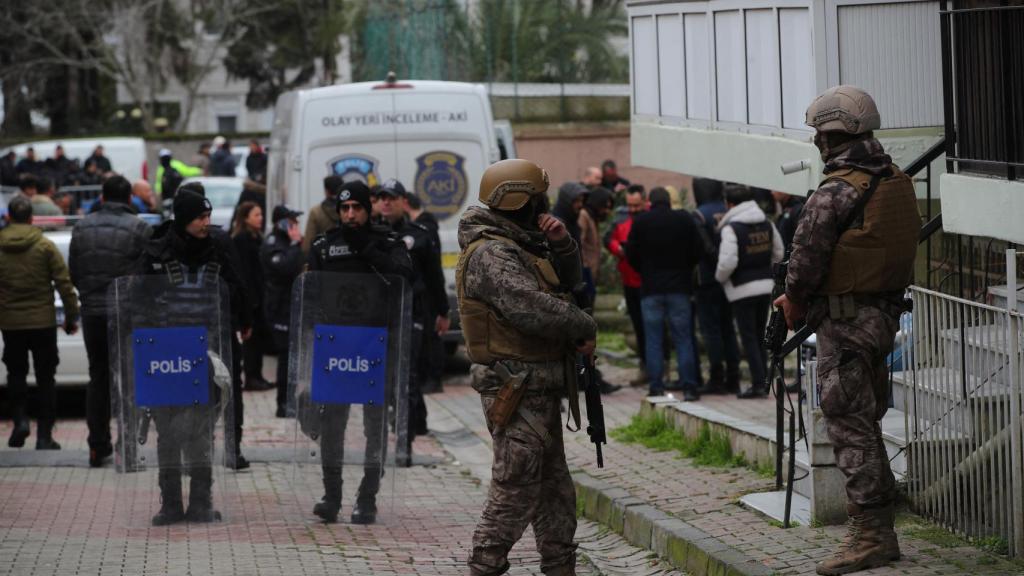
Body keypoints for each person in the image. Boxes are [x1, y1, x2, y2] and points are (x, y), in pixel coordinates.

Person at [775, 86, 918, 575]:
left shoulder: (835, 191)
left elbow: (805, 261)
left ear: (829, 137)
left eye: (820, 134)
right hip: (884, 317)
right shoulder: (896, 180)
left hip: (846, 321)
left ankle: (872, 536)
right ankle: (878, 517)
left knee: (849, 424)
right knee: (866, 418)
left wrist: (792, 302)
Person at [456, 159, 596, 576]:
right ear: (520, 200)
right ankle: (486, 563)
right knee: (516, 486)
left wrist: (563, 243)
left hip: (538, 385)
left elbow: (569, 285)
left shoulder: (521, 243)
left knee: (554, 490)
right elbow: (529, 307)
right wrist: (583, 324)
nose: (544, 203)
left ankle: (559, 564)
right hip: (516, 388)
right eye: (537, 196)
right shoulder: (492, 252)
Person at [307, 180, 414, 524]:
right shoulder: (325, 247)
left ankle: (367, 497)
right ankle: (331, 496)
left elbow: (404, 276)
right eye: (344, 209)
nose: (350, 215)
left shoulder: (387, 242)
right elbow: (310, 295)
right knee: (332, 423)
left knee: (375, 426)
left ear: (368, 210)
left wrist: (368, 249)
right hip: (337, 348)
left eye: (357, 208)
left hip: (376, 347)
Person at [139, 188, 248, 524]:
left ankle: (201, 500)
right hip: (164, 355)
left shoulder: (218, 249)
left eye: (208, 216)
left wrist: (240, 322)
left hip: (206, 354)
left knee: (201, 430)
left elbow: (239, 293)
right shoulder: (157, 251)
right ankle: (170, 503)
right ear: (185, 219)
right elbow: (137, 299)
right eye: (201, 217)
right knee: (167, 432)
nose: (207, 223)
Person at [68, 176, 152, 466]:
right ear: (130, 199)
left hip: (92, 312)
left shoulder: (81, 228)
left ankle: (96, 446)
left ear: (102, 198)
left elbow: (74, 272)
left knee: (99, 377)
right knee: (128, 380)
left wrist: (89, 297)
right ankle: (126, 446)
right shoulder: (141, 228)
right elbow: (147, 277)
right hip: (126, 313)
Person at [1, 196, 79, 450]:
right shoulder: (44, 246)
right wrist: (71, 316)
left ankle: (20, 420)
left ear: (9, 217)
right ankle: (44, 435)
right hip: (43, 322)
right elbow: (64, 283)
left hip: (11, 323)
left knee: (16, 374)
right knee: (46, 378)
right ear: (32, 218)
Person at [377, 179, 449, 446]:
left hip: (412, 311)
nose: (386, 202)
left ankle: (411, 429)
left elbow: (434, 275)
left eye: (391, 198)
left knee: (409, 371)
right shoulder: (370, 234)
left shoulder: (418, 234)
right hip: (381, 314)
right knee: (388, 373)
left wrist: (442, 310)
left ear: (402, 202)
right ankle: (408, 420)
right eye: (381, 197)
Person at [626, 187, 704, 399]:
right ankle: (689, 386)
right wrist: (686, 268)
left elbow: (630, 252)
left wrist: (644, 269)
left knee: (653, 339)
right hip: (679, 287)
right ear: (669, 201)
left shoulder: (642, 221)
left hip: (651, 288)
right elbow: (699, 249)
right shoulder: (684, 220)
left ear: (650, 201)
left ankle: (656, 386)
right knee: (683, 338)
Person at [714, 184, 784, 398]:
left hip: (741, 289)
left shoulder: (731, 228)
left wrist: (720, 278)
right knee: (759, 334)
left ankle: (757, 384)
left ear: (729, 204)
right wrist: (765, 270)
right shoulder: (767, 223)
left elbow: (727, 262)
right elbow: (779, 253)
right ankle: (764, 380)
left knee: (749, 338)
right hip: (764, 286)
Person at [692, 178, 742, 394]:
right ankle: (734, 377)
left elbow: (701, 248)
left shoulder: (699, 215)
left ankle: (716, 377)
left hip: (707, 279)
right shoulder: (729, 210)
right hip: (729, 277)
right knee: (728, 328)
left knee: (711, 330)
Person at [261, 204, 305, 418]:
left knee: (294, 355)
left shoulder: (288, 242)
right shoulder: (274, 243)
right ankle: (283, 403)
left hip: (292, 304)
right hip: (279, 308)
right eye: (292, 220)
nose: (296, 224)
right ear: (282, 223)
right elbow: (284, 268)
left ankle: (290, 400)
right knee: (286, 356)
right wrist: (296, 244)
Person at [403, 191, 446, 393]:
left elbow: (434, 268)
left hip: (427, 291)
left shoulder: (424, 228)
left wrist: (442, 306)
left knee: (432, 336)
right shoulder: (423, 225)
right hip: (423, 290)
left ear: (405, 203)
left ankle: (434, 378)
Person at [605, 185, 648, 386]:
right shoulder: (621, 219)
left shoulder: (649, 218)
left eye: (636, 205)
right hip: (629, 280)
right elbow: (609, 239)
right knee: (639, 327)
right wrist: (619, 250)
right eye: (630, 205)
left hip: (648, 281)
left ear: (644, 202)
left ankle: (657, 367)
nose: (632, 209)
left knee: (653, 328)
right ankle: (645, 367)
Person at [231, 202, 272, 392]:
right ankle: (250, 376)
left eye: (261, 215)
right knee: (251, 340)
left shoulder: (257, 237)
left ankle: (257, 375)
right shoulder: (241, 239)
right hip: (251, 297)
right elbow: (245, 272)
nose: (260, 218)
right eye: (256, 215)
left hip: (260, 294)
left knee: (259, 339)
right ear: (246, 218)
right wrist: (250, 299)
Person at [576, 187, 612, 309]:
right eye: (604, 207)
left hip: (591, 272)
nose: (606, 211)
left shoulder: (593, 217)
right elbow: (579, 242)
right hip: (586, 273)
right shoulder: (584, 215)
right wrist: (585, 267)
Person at [302, 175, 343, 253]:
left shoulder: (316, 212)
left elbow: (307, 245)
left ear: (326, 191)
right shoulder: (348, 210)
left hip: (323, 259)